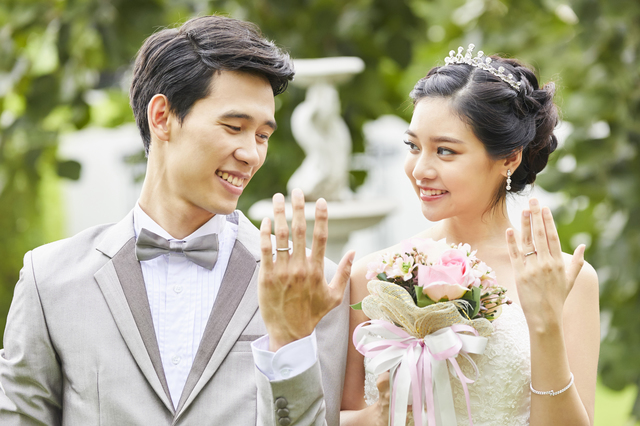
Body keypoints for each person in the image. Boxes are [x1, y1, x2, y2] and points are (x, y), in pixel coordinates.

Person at [0, 15, 355, 426]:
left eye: (262, 136)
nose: (251, 155)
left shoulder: (310, 286)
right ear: (162, 116)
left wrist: (287, 343)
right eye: (234, 127)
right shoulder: (49, 281)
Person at [340, 45, 599, 425]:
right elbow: (334, 416)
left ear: (509, 157)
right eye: (413, 146)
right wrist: (379, 414)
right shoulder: (372, 275)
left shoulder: (566, 280)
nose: (420, 170)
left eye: (445, 151)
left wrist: (545, 325)